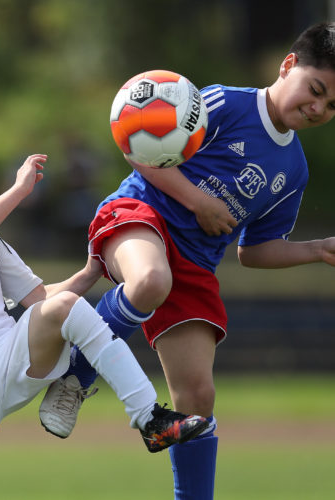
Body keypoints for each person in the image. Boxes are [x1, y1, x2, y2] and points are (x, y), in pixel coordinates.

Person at [38, 21, 335, 500]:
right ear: (288, 65)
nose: (319, 107)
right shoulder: (225, 102)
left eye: (332, 105)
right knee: (151, 280)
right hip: (139, 218)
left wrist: (317, 250)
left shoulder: (294, 170)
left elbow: (254, 250)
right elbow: (137, 147)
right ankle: (74, 377)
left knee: (197, 402)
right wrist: (197, 200)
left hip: (194, 268)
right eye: (316, 89)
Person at [0, 115, 209, 500]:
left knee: (66, 306)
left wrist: (90, 270)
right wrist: (20, 190)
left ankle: (149, 417)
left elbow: (39, 299)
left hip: (9, 357)